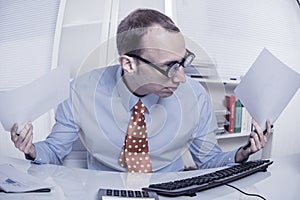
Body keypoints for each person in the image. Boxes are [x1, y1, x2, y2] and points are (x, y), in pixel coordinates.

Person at [10, 9, 272, 172]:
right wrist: (32, 149)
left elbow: (208, 162)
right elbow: (54, 152)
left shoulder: (195, 97)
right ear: (128, 64)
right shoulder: (80, 91)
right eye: (170, 66)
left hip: (170, 191)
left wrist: (243, 153)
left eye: (183, 62)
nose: (182, 78)